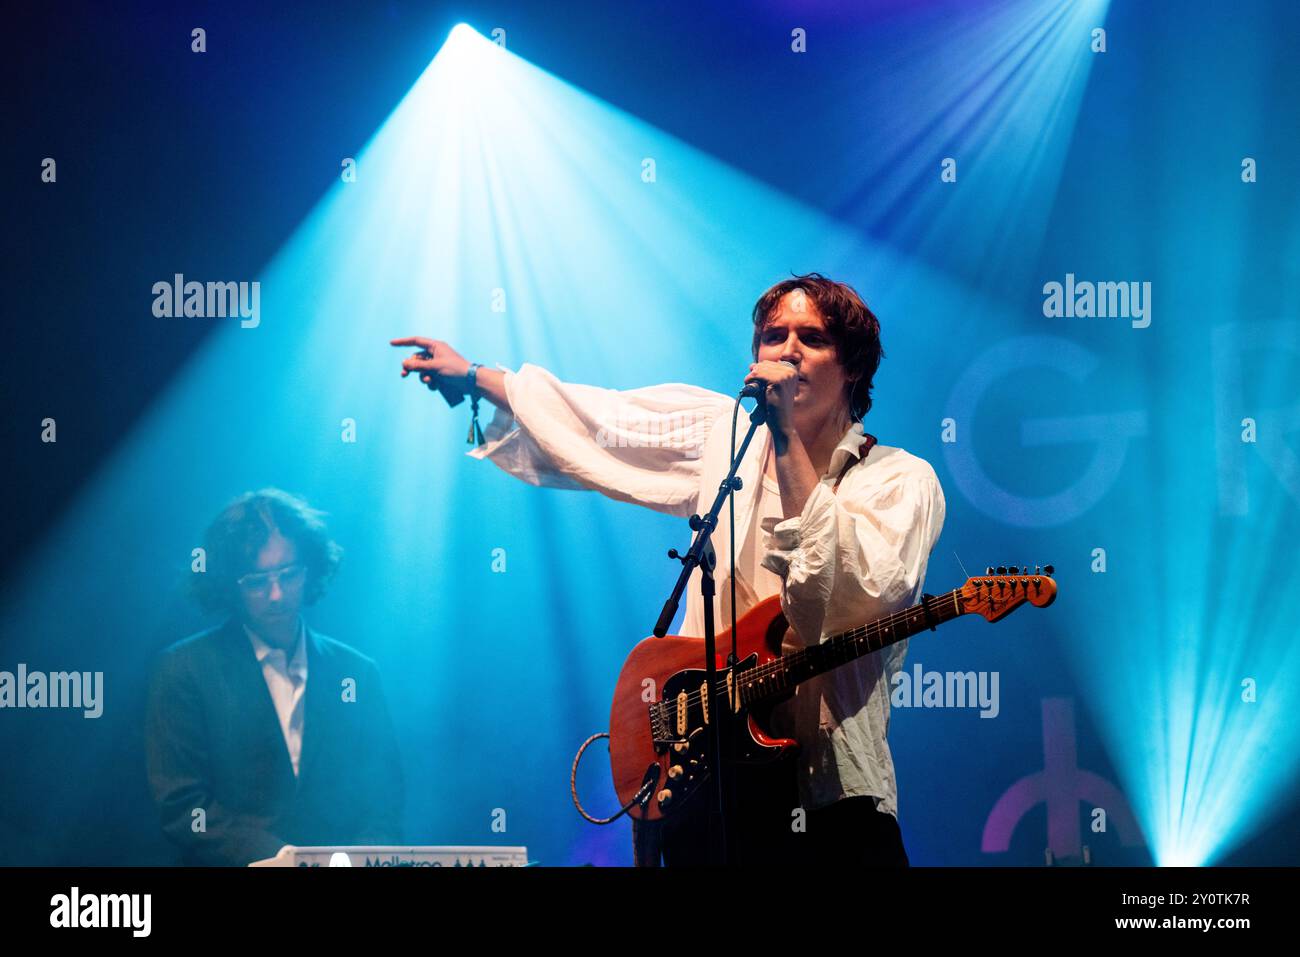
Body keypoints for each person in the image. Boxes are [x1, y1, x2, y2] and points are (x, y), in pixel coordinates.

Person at [393, 273, 944, 866]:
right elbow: (603, 422)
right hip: (710, 779)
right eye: (773, 335)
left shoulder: (900, 481)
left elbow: (832, 609)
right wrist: (478, 377)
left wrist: (785, 441)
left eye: (811, 338)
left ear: (853, 365)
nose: (787, 351)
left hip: (829, 793)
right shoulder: (726, 438)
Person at [145, 489, 404, 865]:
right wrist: (282, 859)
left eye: (289, 574)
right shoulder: (183, 670)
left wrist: (356, 860)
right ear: (228, 583)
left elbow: (384, 802)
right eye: (256, 581)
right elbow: (182, 806)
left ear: (310, 569)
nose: (277, 594)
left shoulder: (357, 672)